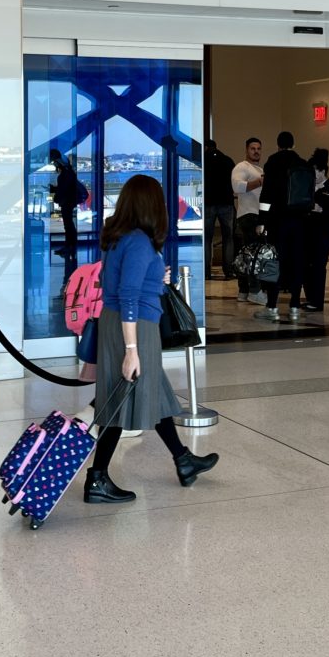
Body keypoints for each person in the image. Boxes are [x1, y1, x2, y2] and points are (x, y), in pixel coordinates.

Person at [85, 175, 219, 504]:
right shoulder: (139, 241)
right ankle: (97, 479)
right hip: (134, 328)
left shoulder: (118, 238)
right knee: (120, 399)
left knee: (154, 393)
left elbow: (110, 280)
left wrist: (157, 279)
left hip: (121, 323)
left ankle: (183, 460)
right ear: (150, 205)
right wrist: (131, 350)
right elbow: (128, 296)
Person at [256, 131, 309, 322]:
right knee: (296, 261)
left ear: (278, 144)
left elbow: (267, 193)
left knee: (274, 261)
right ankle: (295, 305)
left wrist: (262, 220)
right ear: (293, 145)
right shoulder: (302, 163)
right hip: (300, 221)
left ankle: (272, 306)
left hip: (278, 220)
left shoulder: (273, 162)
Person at [301, 148, 329, 312]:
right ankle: (310, 297)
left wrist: (322, 211)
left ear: (323, 171)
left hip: (323, 234)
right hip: (307, 232)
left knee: (318, 266)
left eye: (315, 172)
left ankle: (317, 301)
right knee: (305, 266)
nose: (313, 175)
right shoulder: (307, 188)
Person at [231, 137, 265, 303]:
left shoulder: (258, 168)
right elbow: (237, 187)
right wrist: (259, 182)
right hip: (248, 215)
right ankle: (255, 290)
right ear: (246, 150)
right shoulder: (242, 167)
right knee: (254, 255)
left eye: (258, 148)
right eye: (253, 148)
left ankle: (243, 291)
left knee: (246, 255)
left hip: (254, 215)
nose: (256, 151)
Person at [47, 148, 85, 285]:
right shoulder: (68, 173)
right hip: (68, 201)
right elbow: (65, 187)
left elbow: (64, 188)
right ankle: (69, 245)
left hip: (67, 202)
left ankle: (70, 245)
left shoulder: (65, 174)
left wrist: (55, 193)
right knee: (68, 224)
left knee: (68, 224)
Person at [204, 139, 237, 281]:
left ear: (205, 147)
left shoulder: (202, 161)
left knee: (207, 239)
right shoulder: (228, 161)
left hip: (208, 203)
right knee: (228, 238)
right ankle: (228, 271)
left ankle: (206, 271)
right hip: (227, 203)